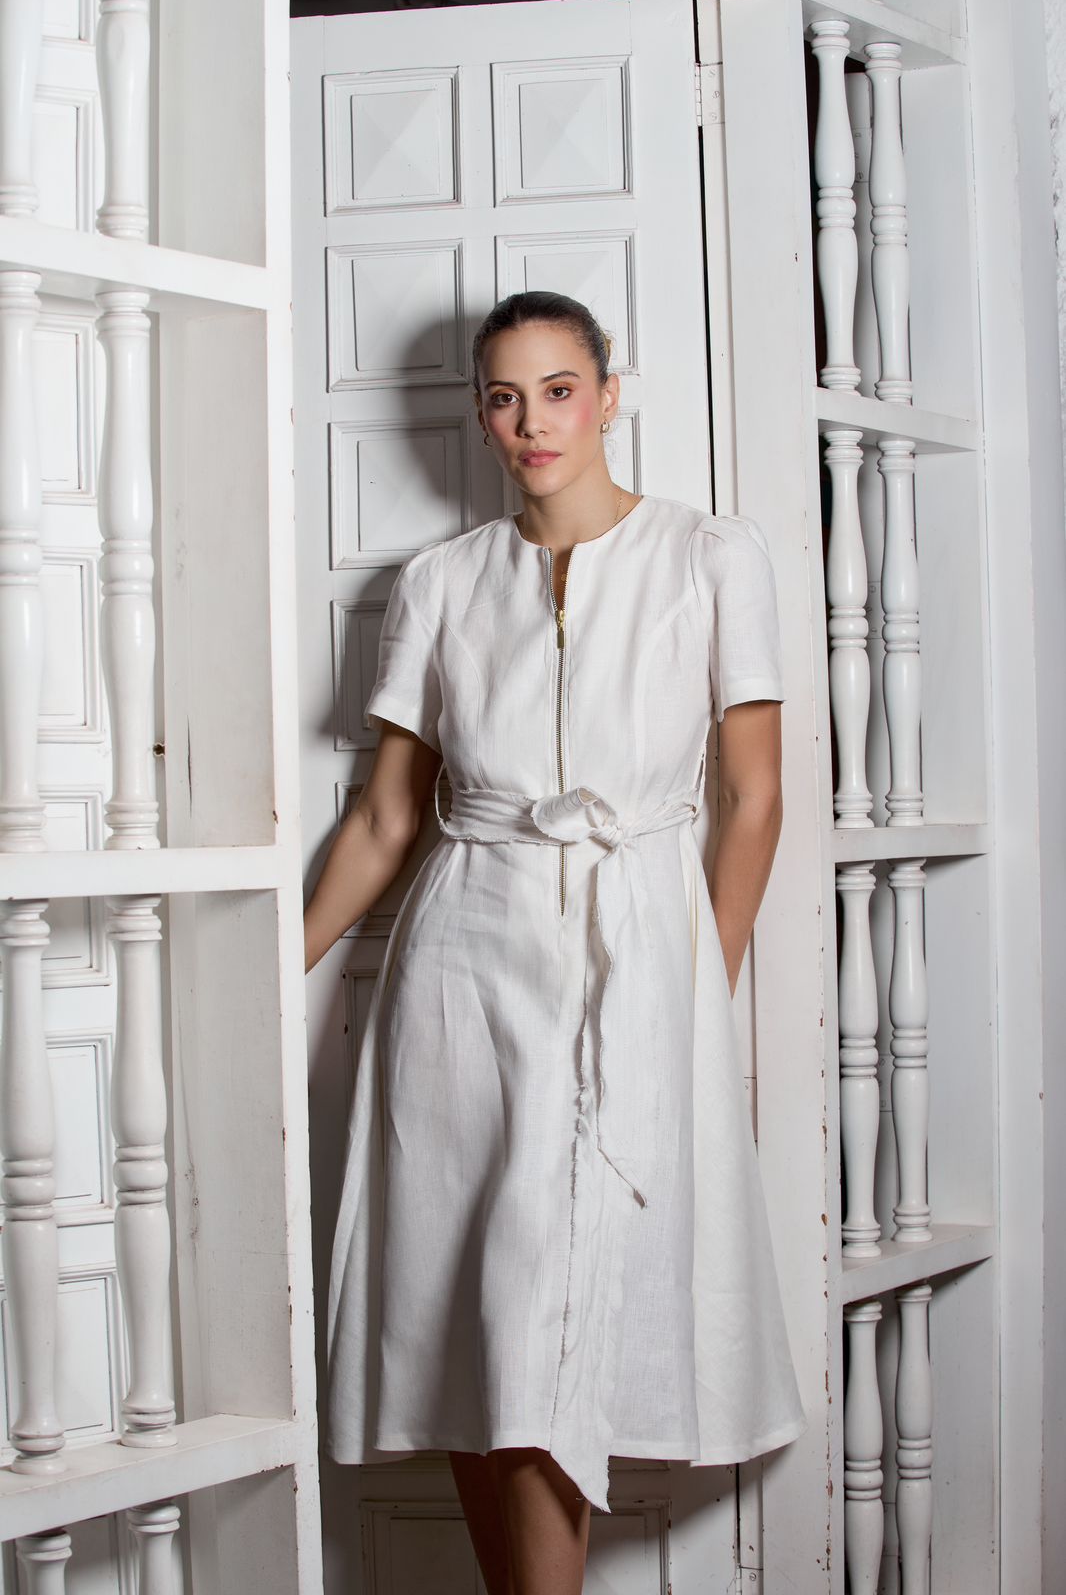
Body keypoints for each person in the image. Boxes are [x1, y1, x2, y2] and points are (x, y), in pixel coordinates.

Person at [304, 289, 807, 1595]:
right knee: (476, 1321)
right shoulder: (438, 582)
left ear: (609, 395)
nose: (533, 421)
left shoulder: (710, 556)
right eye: (505, 397)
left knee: (550, 1309)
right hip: (462, 971)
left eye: (560, 389)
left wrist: (699, 988)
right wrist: (260, 980)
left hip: (636, 960)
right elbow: (386, 820)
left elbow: (754, 798)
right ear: (481, 416)